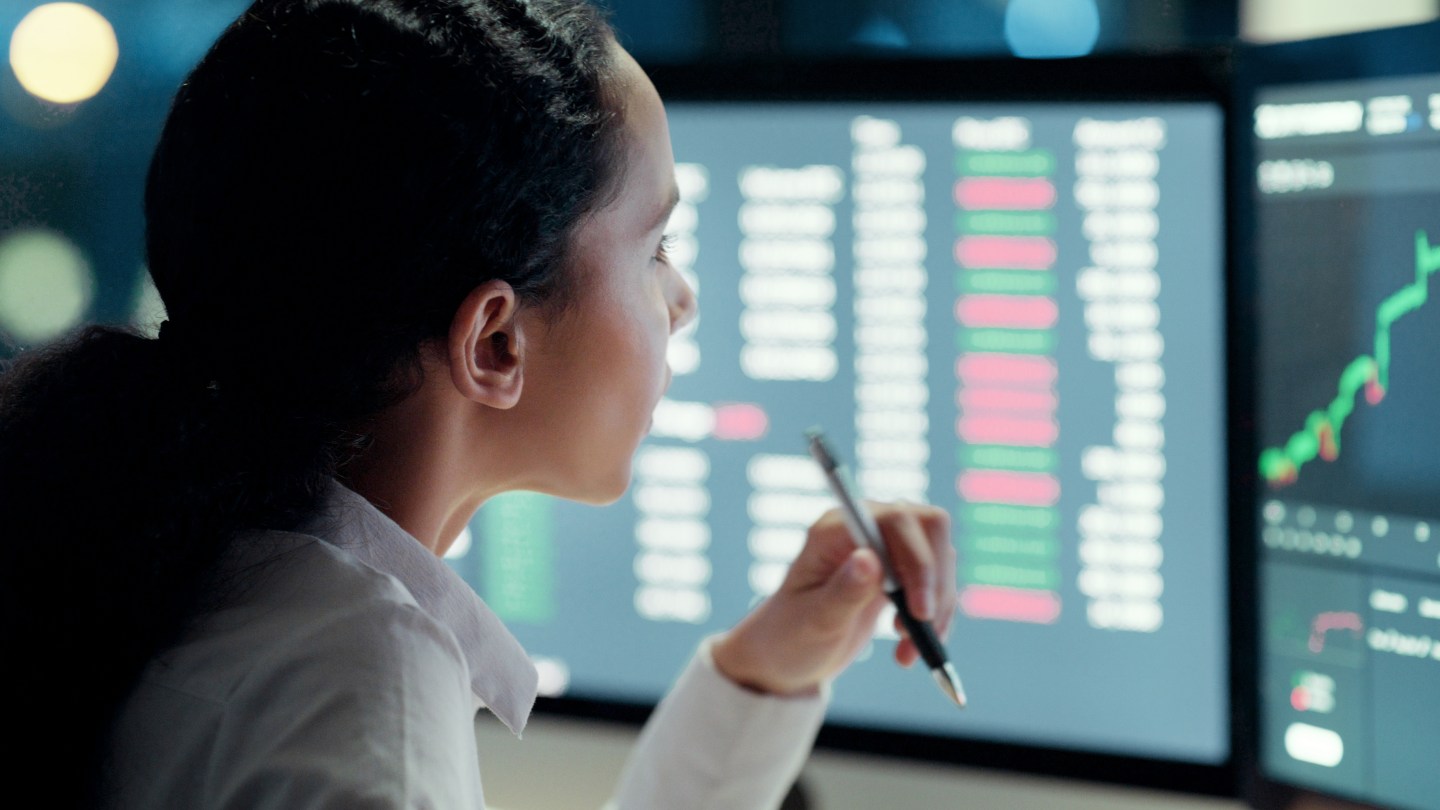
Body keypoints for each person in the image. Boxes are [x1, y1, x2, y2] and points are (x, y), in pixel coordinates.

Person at [0, 0, 957, 807]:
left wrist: (762, 678)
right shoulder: (364, 700)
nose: (685, 299)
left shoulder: (200, 579)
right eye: (656, 247)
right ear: (495, 341)